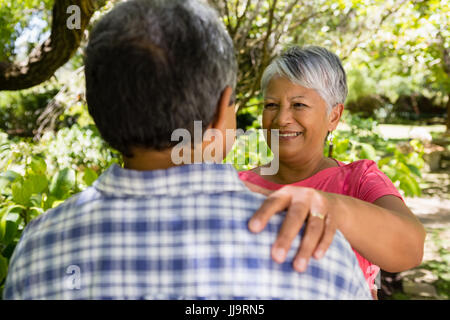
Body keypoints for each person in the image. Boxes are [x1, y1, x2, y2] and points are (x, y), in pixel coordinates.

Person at [3, 0, 371, 300]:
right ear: (221, 108)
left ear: (97, 112)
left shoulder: (40, 248)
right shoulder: (317, 251)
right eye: (268, 105)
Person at [238, 46, 426, 299]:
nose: (281, 118)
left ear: (334, 116)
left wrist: (326, 206)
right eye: (271, 105)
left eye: (299, 105)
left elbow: (410, 249)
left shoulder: (360, 180)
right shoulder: (240, 186)